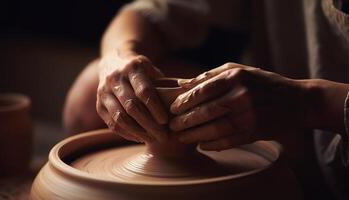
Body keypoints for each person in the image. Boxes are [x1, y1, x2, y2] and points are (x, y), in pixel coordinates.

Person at [63, 0, 349, 199]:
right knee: (96, 92)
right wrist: (118, 58)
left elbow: (307, 105)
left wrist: (308, 103)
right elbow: (148, 13)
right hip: (293, 134)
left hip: (327, 126)